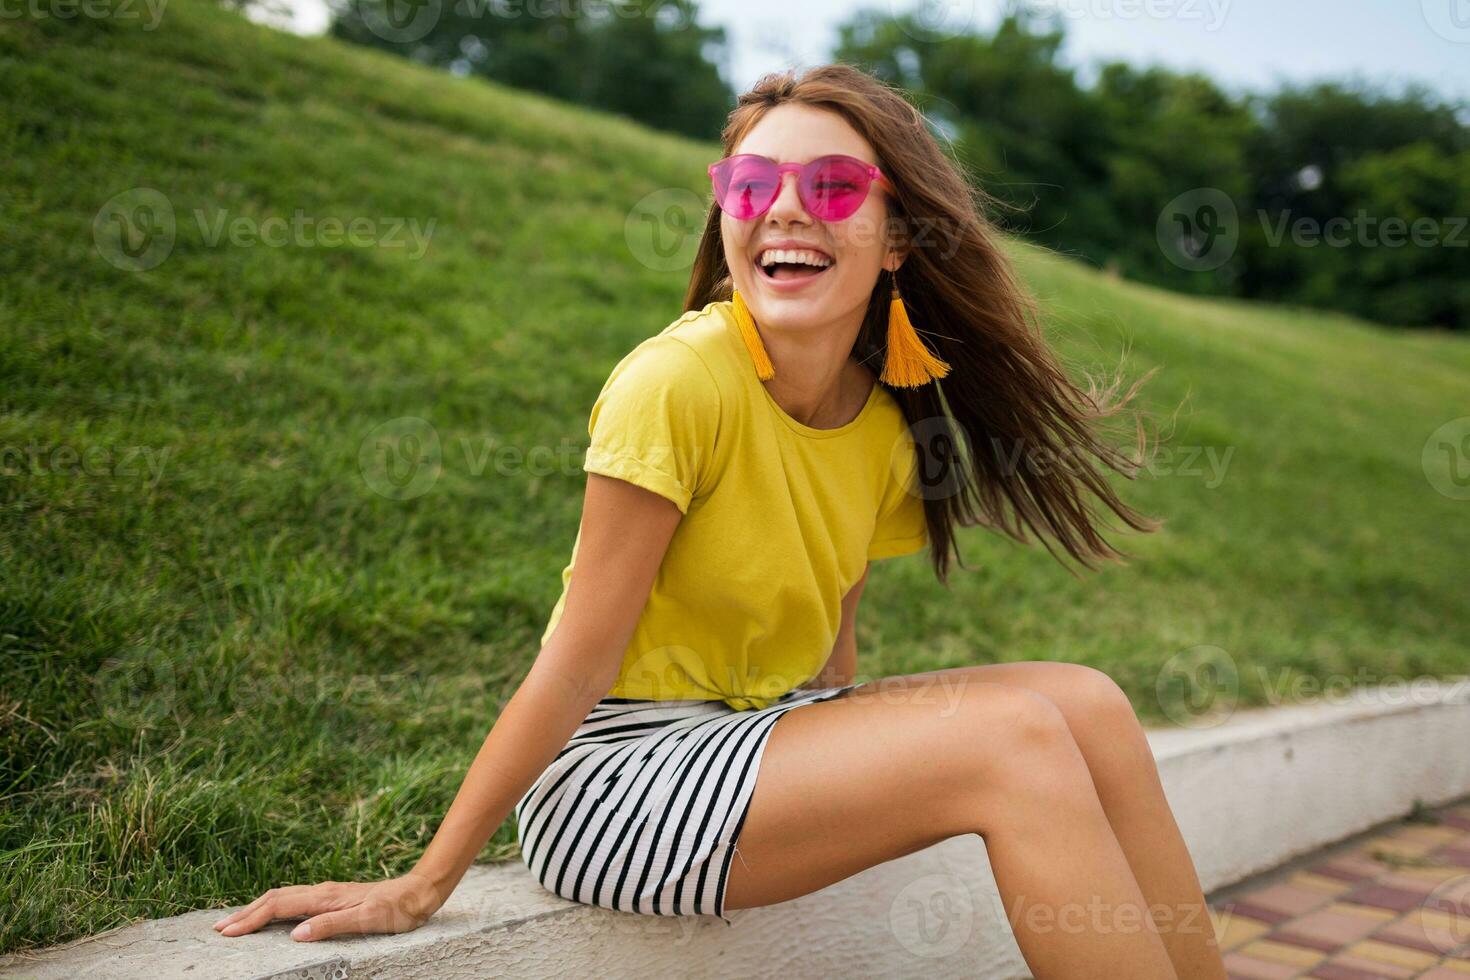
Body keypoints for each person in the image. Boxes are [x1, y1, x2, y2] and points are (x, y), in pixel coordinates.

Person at [213, 63, 1225, 978]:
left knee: (1086, 702)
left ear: (900, 237)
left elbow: (832, 650)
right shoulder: (676, 382)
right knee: (1012, 739)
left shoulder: (882, 420)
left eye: (830, 188)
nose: (784, 211)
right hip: (618, 785)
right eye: (750, 187)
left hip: (756, 737)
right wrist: (426, 878)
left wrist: (866, 768)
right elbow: (573, 664)